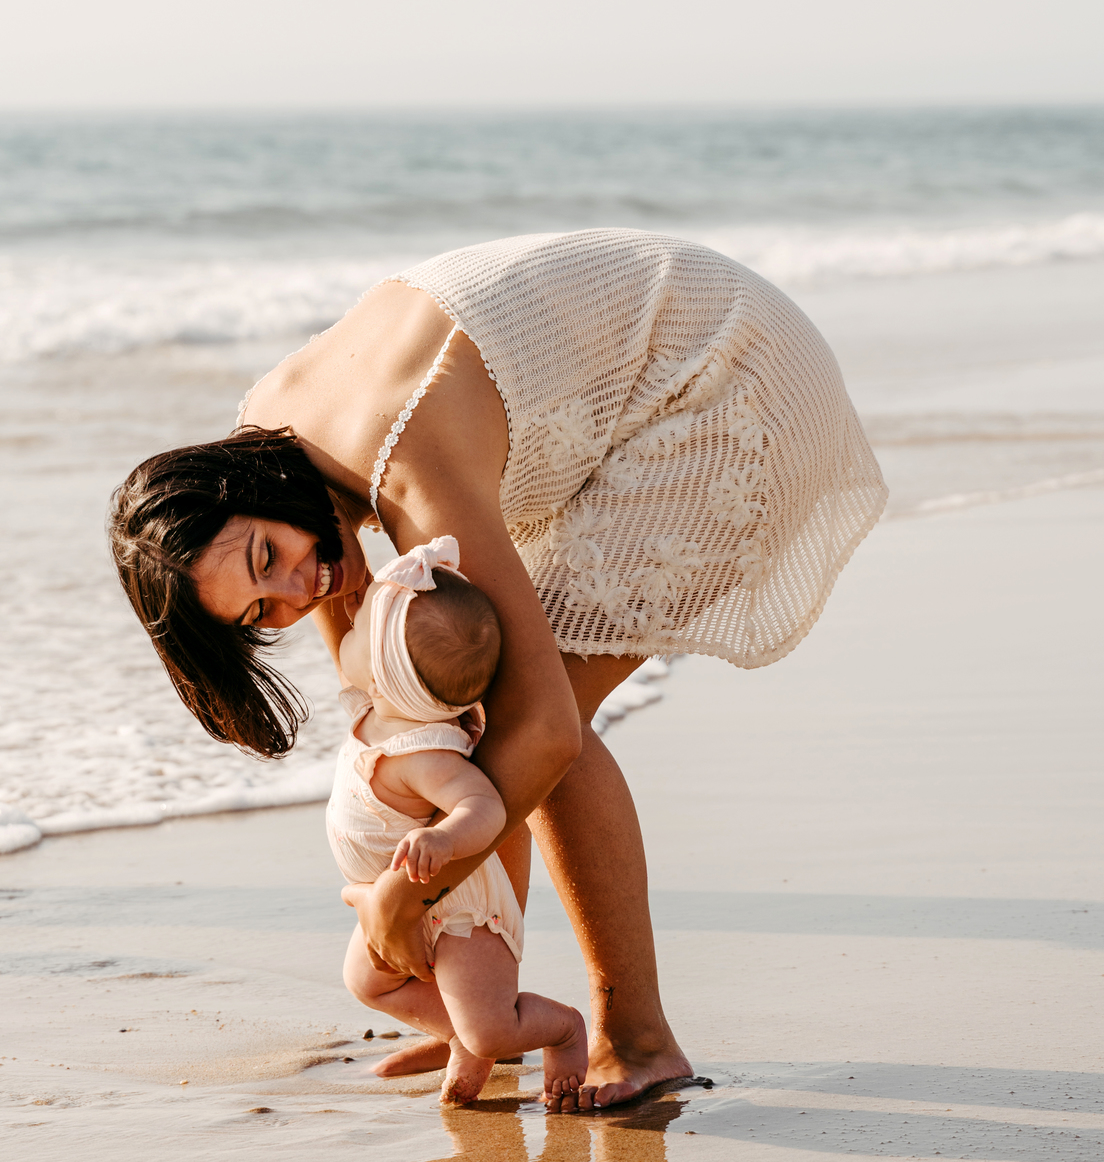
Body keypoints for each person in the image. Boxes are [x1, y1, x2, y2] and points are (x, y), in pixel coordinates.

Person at [109, 227, 887, 1110]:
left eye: (267, 559)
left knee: (534, 718)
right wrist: (462, 994)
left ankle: (639, 1039)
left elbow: (543, 734)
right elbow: (399, 720)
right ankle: (489, 1011)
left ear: (247, 489)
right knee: (457, 723)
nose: (300, 588)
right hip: (629, 379)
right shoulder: (275, 472)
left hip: (729, 372)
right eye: (260, 613)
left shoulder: (401, 461)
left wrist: (409, 894)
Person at [328, 533, 588, 1107]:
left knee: (491, 1025)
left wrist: (443, 836)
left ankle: (561, 1030)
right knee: (366, 983)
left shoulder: (427, 754)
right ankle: (459, 1036)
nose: (348, 620)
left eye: (358, 626)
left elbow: (486, 807)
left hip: (459, 910)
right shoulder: (376, 713)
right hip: (410, 901)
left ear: (382, 678)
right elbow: (362, 642)